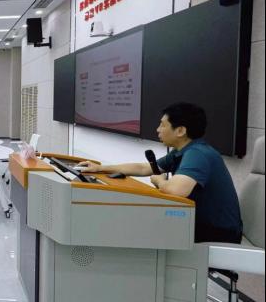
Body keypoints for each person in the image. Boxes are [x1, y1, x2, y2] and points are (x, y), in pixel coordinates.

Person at [78, 102, 243, 243]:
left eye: (163, 125)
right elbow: (143, 168)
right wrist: (100, 168)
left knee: (137, 229)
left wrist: (159, 181)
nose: (158, 130)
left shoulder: (197, 154)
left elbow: (176, 190)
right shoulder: (185, 150)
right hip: (199, 225)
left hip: (217, 234)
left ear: (180, 131)